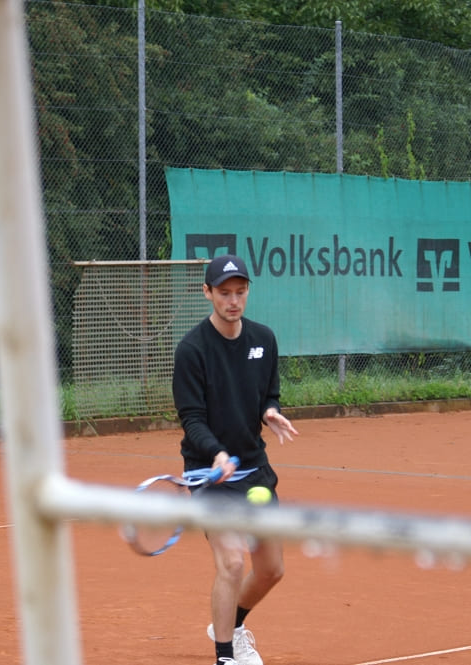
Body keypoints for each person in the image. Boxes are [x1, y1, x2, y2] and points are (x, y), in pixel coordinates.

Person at [172, 253, 299, 665]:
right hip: (209, 473)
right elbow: (191, 419)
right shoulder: (191, 350)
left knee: (271, 570)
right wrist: (217, 453)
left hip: (254, 471)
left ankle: (234, 624)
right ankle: (225, 656)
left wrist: (270, 411)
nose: (233, 301)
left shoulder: (264, 339)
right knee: (230, 562)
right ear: (206, 292)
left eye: (240, 292)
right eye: (224, 293)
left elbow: (268, 393)